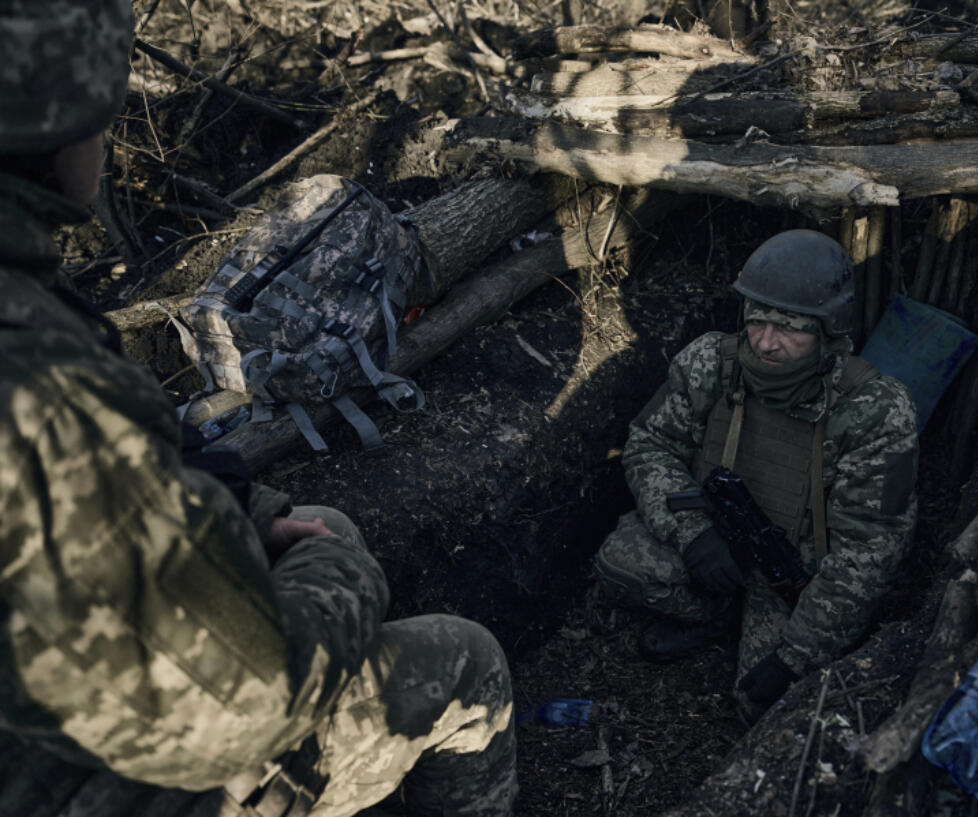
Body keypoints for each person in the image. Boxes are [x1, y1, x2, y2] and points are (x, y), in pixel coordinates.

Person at [0, 2, 515, 815]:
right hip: (96, 776)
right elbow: (246, 709)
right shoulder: (41, 386)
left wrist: (249, 509)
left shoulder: (28, 307)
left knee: (318, 521)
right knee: (467, 662)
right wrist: (344, 574)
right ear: (57, 130)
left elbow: (122, 488)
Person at [595, 229, 919, 722]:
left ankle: (748, 626)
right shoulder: (711, 363)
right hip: (721, 542)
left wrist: (795, 657)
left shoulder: (876, 411)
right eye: (759, 321)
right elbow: (650, 444)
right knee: (619, 562)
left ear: (828, 330)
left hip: (798, 581)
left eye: (790, 328)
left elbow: (868, 554)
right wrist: (694, 532)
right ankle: (718, 617)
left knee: (761, 705)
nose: (767, 342)